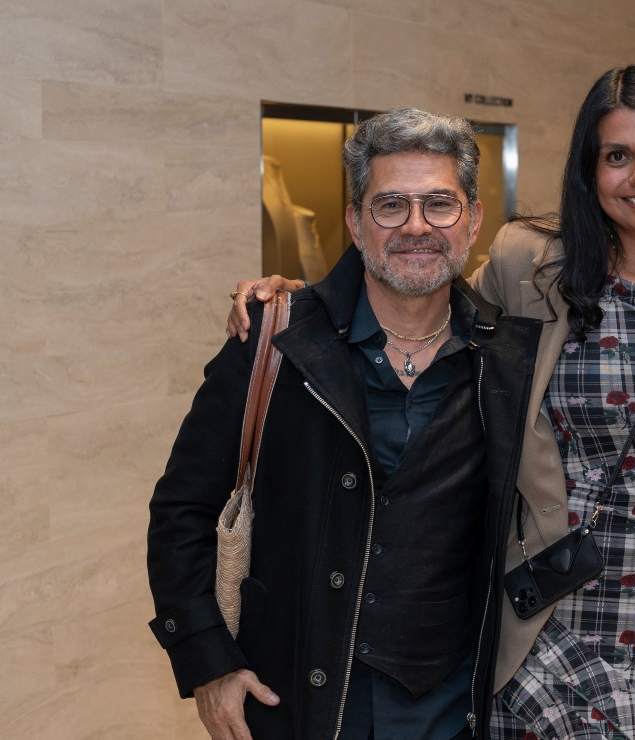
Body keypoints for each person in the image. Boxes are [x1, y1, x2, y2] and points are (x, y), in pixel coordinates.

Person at [227, 64, 635, 739]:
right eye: (616, 155)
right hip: (556, 622)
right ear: (589, 170)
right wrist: (302, 302)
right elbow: (419, 285)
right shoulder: (534, 265)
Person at [148, 107, 540, 740]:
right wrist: (207, 661)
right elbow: (181, 509)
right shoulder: (275, 341)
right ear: (357, 224)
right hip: (299, 700)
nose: (417, 226)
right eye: (390, 206)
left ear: (472, 221)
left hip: (452, 711)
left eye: (439, 204)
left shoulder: (512, 359)